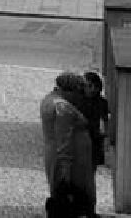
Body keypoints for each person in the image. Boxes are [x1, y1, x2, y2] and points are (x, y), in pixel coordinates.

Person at [40, 72, 96, 218]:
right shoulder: (62, 107)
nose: (79, 96)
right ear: (70, 90)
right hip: (73, 159)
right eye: (78, 92)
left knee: (59, 190)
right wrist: (66, 168)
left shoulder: (49, 100)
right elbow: (64, 139)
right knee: (69, 193)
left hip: (55, 152)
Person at [82, 71, 110, 170]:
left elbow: (105, 121)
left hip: (95, 140)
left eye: (95, 86)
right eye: (89, 86)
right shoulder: (79, 101)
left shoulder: (102, 103)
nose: (93, 89)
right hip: (81, 139)